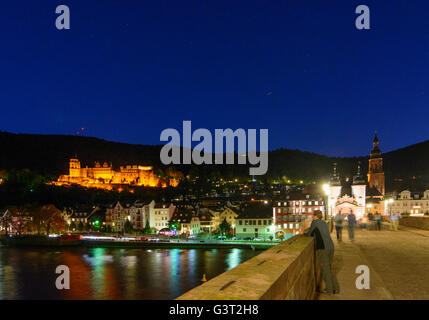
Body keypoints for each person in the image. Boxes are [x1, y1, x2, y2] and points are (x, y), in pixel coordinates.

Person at [305, 210, 339, 295]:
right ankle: (335, 288)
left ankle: (329, 290)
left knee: (325, 270)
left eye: (313, 215)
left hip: (323, 249)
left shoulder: (315, 222)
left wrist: (303, 234)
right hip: (331, 247)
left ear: (315, 216)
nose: (312, 217)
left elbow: (309, 233)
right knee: (328, 270)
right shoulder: (324, 223)